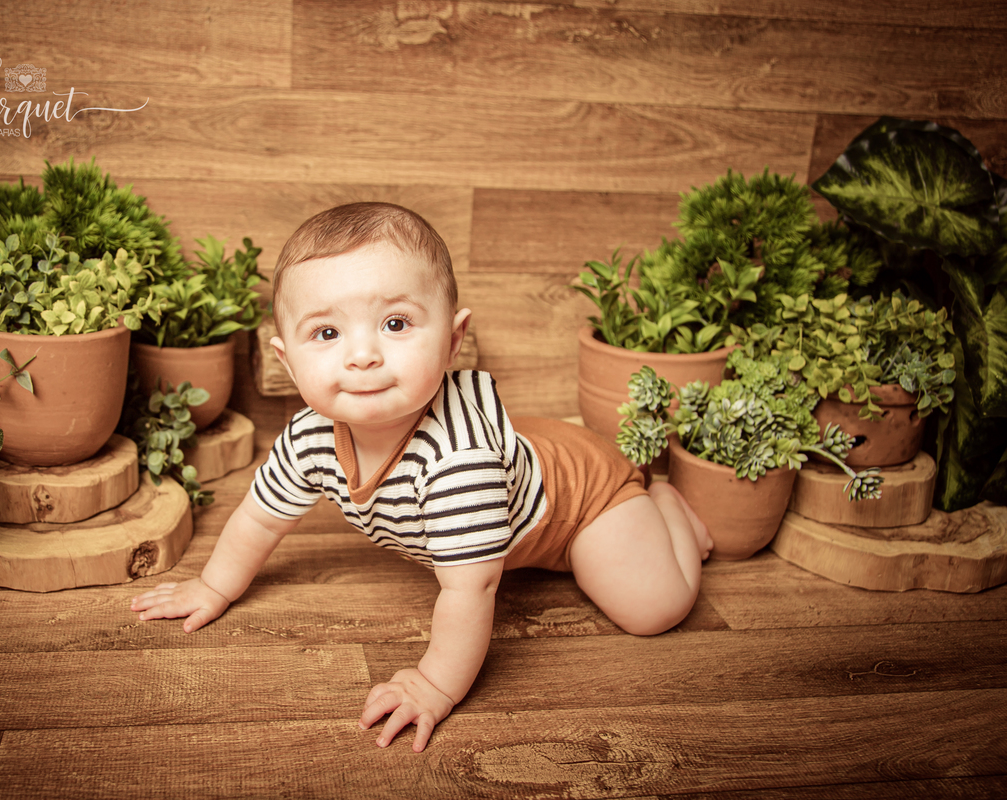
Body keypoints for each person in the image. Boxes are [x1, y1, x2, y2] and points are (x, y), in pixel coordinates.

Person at [130, 202, 713, 752]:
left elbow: (472, 588)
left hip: (582, 501)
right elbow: (259, 518)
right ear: (288, 361)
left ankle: (664, 501)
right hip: (528, 457)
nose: (363, 355)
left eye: (396, 322)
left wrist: (434, 682)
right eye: (327, 333)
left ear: (454, 341)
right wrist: (213, 587)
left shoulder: (457, 461)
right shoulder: (311, 434)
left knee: (652, 608)